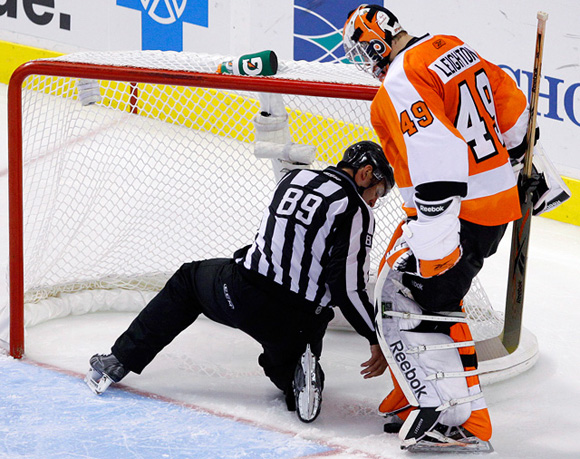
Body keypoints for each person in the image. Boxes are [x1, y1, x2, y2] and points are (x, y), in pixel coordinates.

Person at [342, 4, 547, 452]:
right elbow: (513, 110)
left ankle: (460, 419)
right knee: (400, 284)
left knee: (413, 299)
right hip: (491, 202)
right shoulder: (451, 47)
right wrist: (523, 157)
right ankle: (417, 389)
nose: (363, 59)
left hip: (457, 211)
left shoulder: (400, 78)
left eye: (362, 47)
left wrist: (435, 241)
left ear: (379, 39)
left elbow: (436, 151)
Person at [86, 140, 394, 423]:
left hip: (241, 292)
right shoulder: (357, 211)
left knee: (188, 281)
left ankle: (119, 359)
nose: (375, 202)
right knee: (284, 362)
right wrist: (373, 337)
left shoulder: (292, 179)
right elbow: (346, 287)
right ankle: (298, 376)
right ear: (365, 173)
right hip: (295, 320)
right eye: (378, 193)